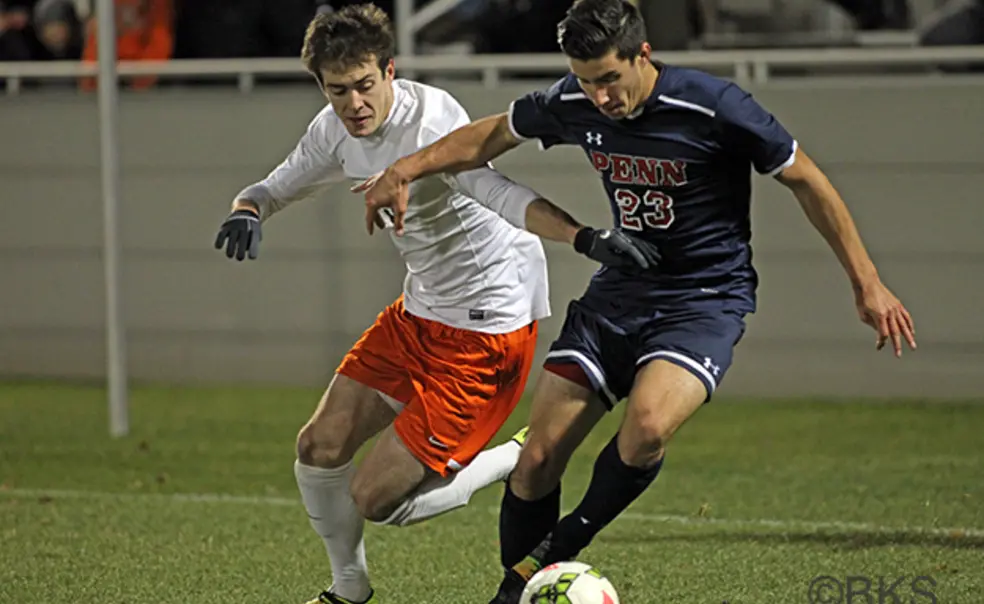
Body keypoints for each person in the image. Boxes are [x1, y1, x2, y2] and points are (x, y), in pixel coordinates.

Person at [360, 1, 918, 602]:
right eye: (585, 81)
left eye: (609, 79)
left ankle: (553, 554)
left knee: (646, 427)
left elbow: (806, 178)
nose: (599, 97)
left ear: (642, 55)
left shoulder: (712, 105)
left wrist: (867, 282)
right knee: (537, 458)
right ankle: (515, 591)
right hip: (620, 293)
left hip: (704, 299)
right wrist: (405, 169)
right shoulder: (574, 101)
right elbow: (491, 134)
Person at [212, 5, 660, 604]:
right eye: (338, 90)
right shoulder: (332, 129)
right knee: (316, 448)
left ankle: (514, 454)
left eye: (366, 85)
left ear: (390, 70)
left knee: (378, 501)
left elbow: (498, 192)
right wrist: (247, 210)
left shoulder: (431, 122)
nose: (355, 104)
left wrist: (584, 238)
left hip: (486, 327)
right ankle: (349, 589)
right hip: (419, 313)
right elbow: (271, 187)